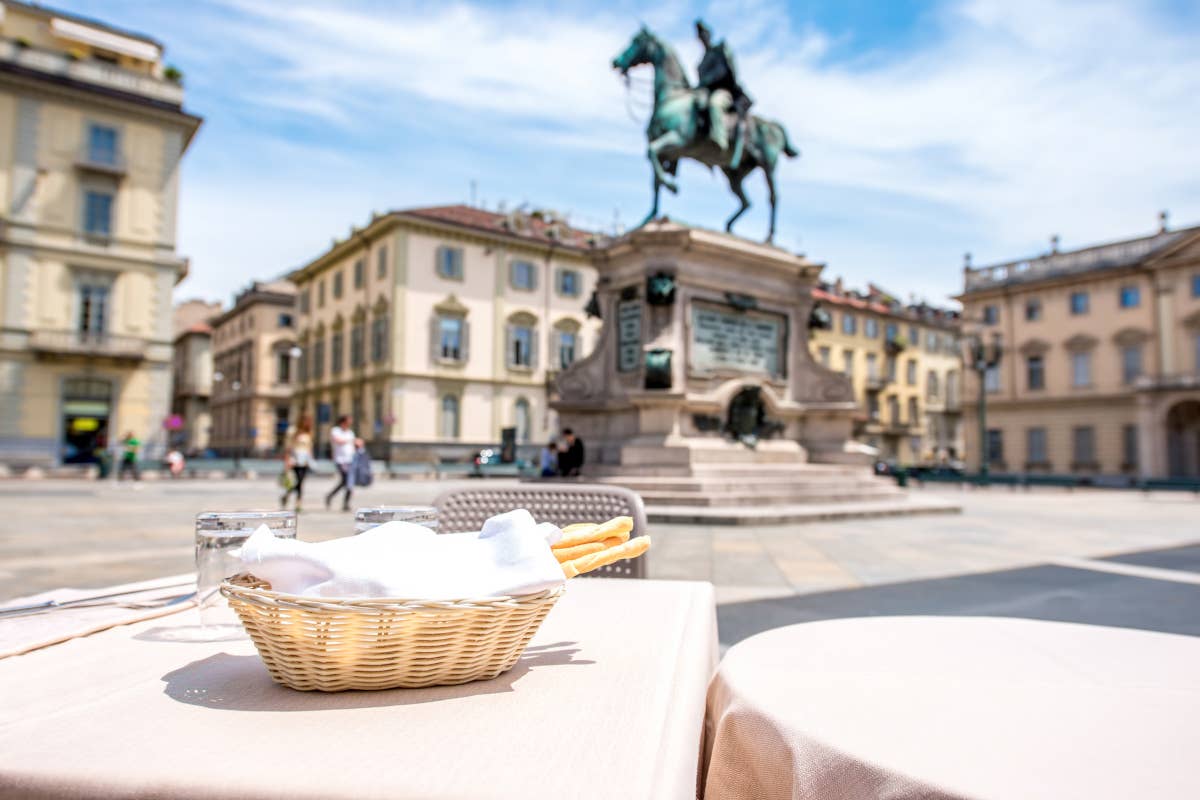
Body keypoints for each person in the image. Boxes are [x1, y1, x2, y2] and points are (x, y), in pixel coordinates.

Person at [695, 19, 753, 167]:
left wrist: (707, 81)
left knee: (715, 104)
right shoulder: (701, 63)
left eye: (704, 34)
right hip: (705, 93)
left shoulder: (720, 50)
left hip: (723, 92)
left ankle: (719, 140)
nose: (702, 37)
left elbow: (724, 71)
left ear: (709, 35)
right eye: (700, 35)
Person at [281, 414, 314, 512]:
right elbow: (288, 447)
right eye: (306, 421)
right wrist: (287, 461)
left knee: (300, 482)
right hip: (294, 461)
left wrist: (310, 459)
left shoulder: (308, 433)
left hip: (304, 461)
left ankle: (297, 504)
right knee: (295, 482)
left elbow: (309, 448)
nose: (308, 424)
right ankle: (287, 496)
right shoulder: (292, 431)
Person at [325, 415, 356, 511]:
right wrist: (351, 440)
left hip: (350, 460)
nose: (350, 423)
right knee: (346, 480)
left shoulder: (350, 432)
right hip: (340, 460)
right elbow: (338, 441)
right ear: (343, 422)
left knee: (348, 481)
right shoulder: (336, 430)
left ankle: (344, 503)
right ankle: (331, 496)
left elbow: (353, 445)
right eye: (348, 421)